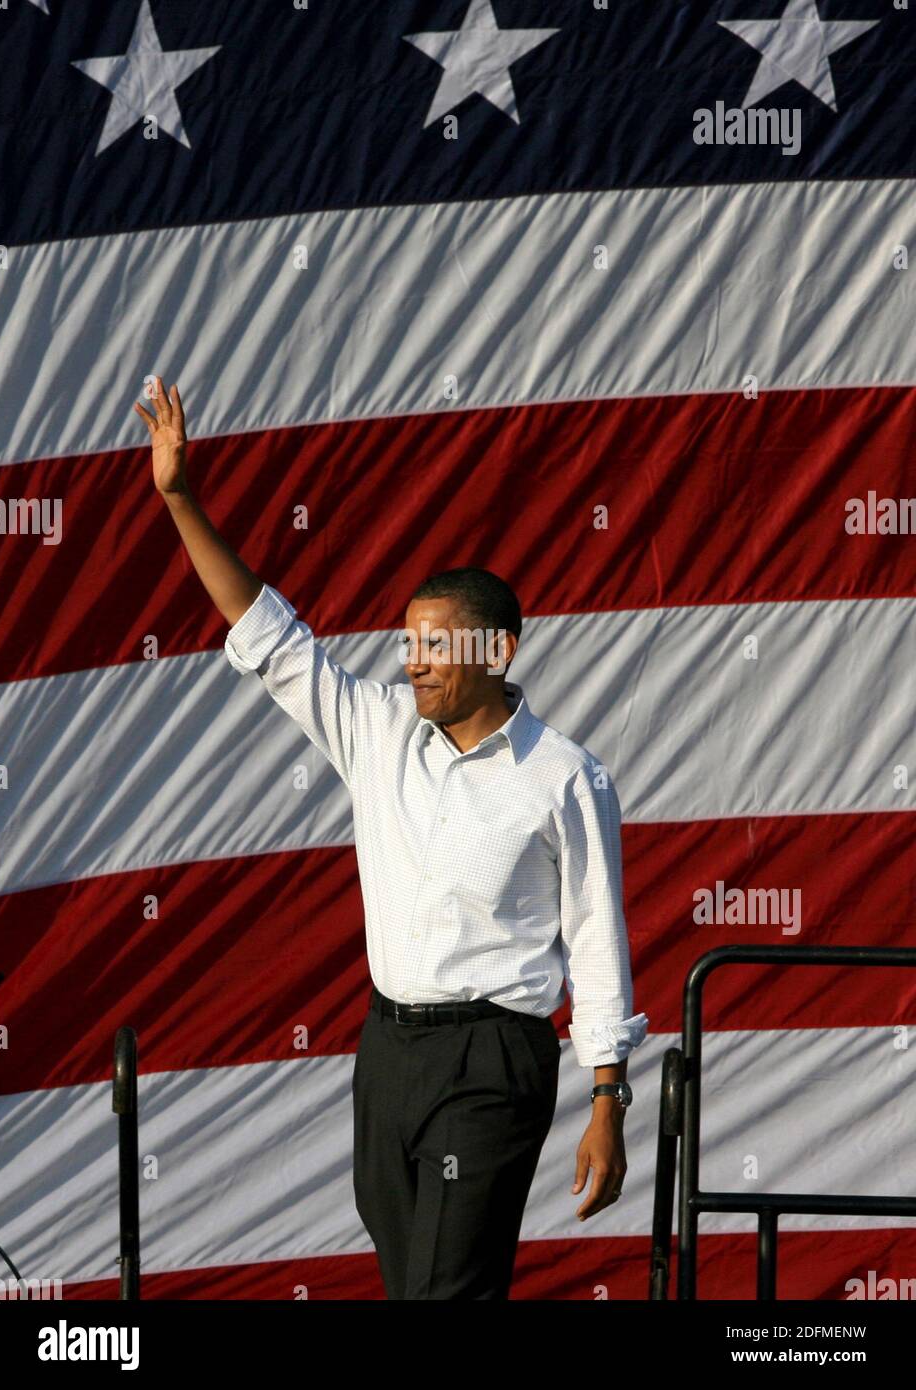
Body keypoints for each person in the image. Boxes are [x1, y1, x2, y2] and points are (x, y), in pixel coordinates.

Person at [134, 376, 649, 1300]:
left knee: (446, 1289)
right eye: (407, 644)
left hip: (494, 1059)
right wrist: (181, 499)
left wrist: (608, 1099)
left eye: (435, 647)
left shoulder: (564, 775)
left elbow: (599, 944)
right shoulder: (376, 730)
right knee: (413, 1282)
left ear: (495, 654)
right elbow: (271, 633)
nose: (411, 663)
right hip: (388, 1053)